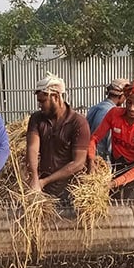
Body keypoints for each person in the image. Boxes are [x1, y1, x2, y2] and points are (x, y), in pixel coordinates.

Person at [87, 79, 134, 201]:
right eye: (129, 102)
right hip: (117, 169)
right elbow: (94, 138)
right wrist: (91, 160)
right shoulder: (114, 114)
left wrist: (113, 183)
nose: (131, 108)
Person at [26, 73, 91, 206]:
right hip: (43, 189)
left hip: (69, 190)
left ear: (55, 97)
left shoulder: (78, 122)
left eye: (43, 101)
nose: (39, 105)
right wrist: (34, 177)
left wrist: (44, 181)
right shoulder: (37, 119)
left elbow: (78, 163)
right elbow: (32, 148)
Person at [86, 78, 128, 160]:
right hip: (101, 160)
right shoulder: (112, 113)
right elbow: (109, 142)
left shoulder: (94, 108)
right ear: (121, 96)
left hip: (89, 155)